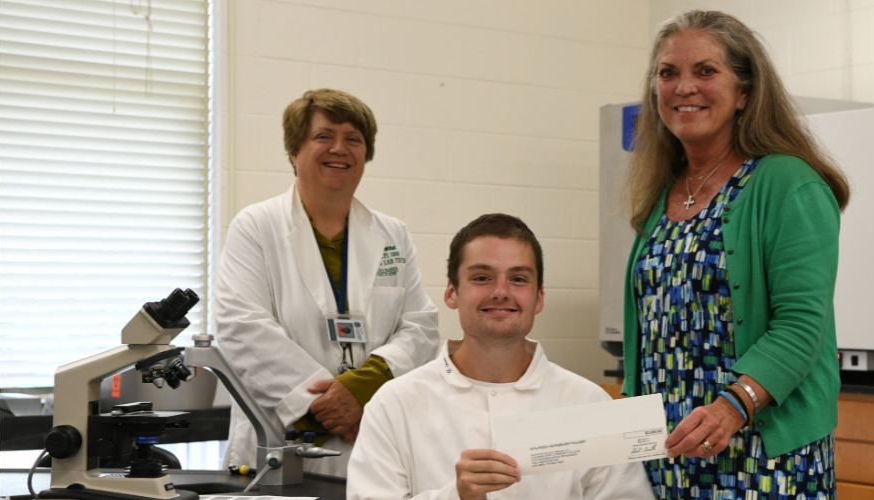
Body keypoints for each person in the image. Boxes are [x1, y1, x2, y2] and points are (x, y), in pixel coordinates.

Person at [620, 10, 850, 499]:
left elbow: (800, 326)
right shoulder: (663, 194)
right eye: (668, 73)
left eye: (705, 71)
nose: (684, 87)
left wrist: (732, 407)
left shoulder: (787, 184)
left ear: (745, 91)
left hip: (762, 456)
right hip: (673, 456)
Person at [346, 214, 655, 500]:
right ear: (452, 292)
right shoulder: (393, 404)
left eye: (518, 279)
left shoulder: (588, 403)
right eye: (482, 277)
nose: (501, 292)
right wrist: (456, 496)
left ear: (539, 298)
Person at [215, 89, 439, 477]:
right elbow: (242, 329)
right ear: (293, 151)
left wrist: (363, 388)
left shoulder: (392, 235)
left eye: (353, 139)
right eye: (324, 136)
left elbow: (420, 326)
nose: (340, 148)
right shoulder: (256, 227)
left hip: (370, 440)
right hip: (282, 444)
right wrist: (328, 408)